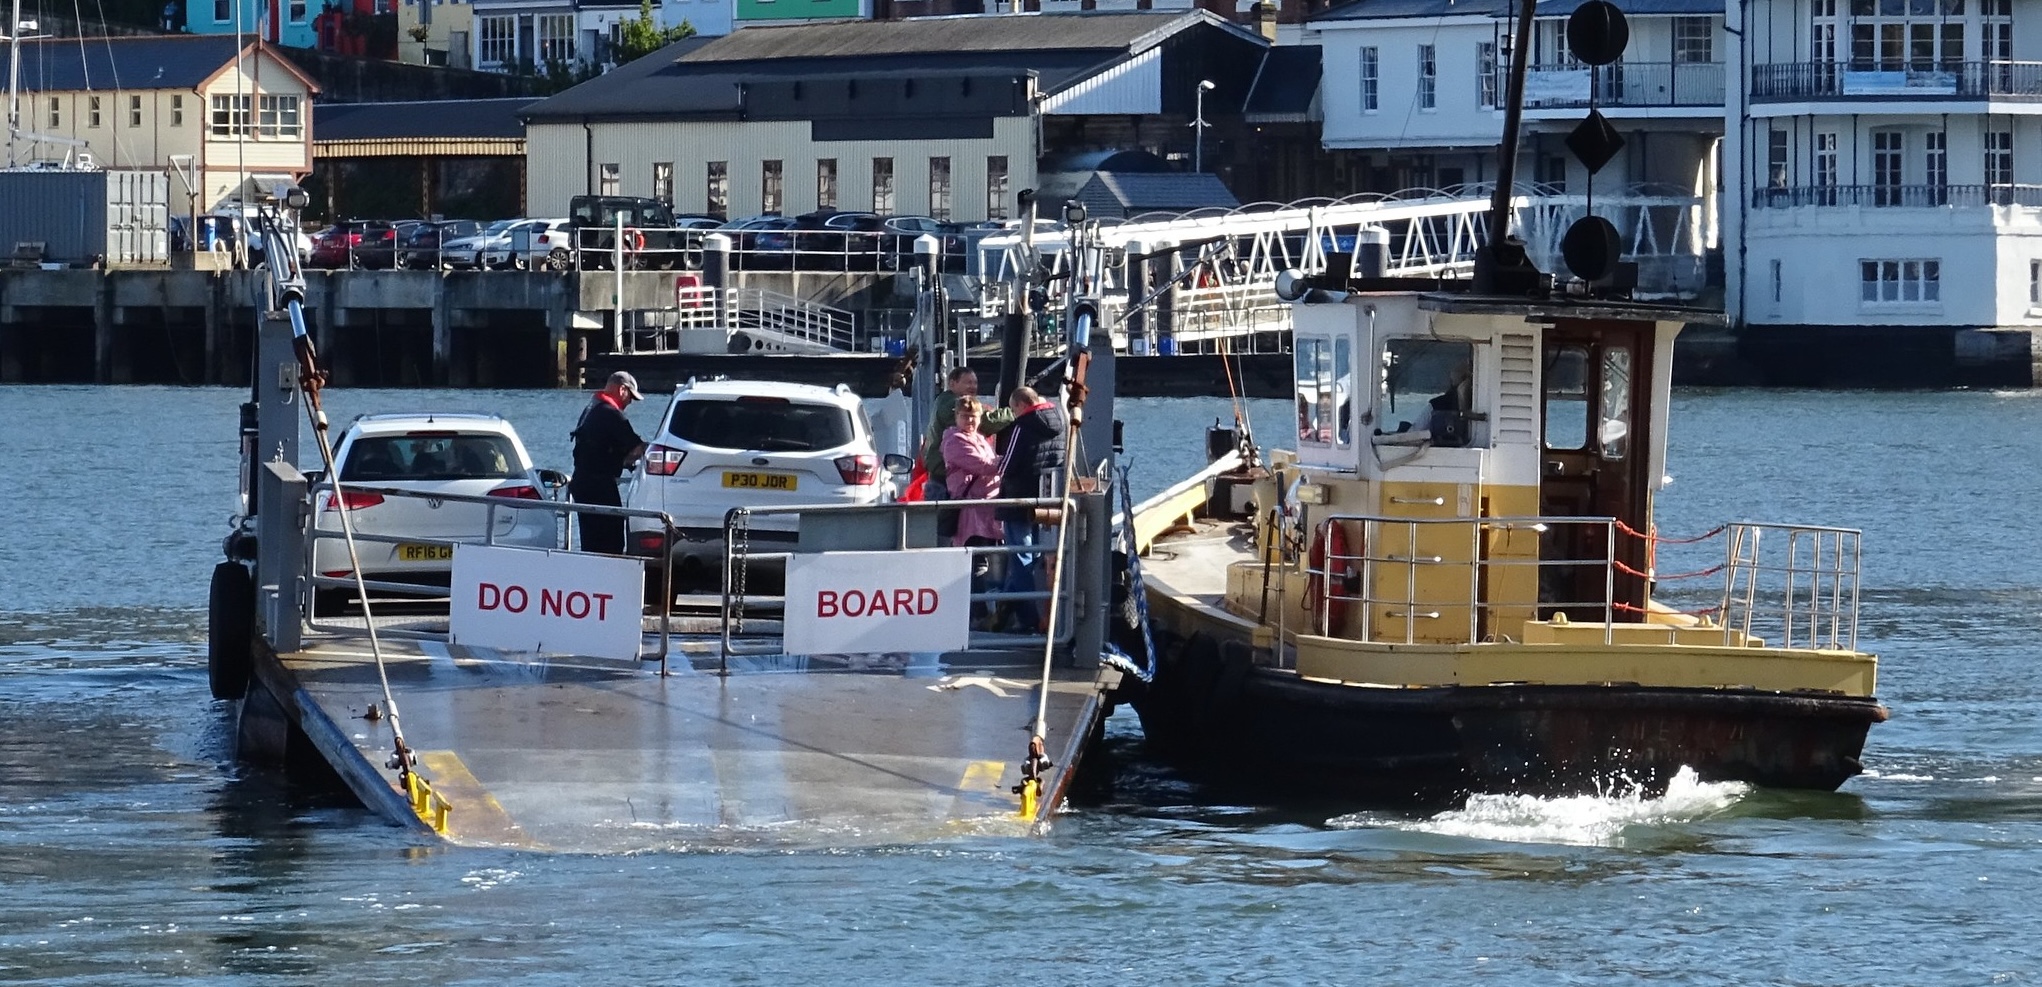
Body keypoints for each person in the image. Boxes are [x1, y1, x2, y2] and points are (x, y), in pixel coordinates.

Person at [993, 385, 1067, 633]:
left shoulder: (1022, 426)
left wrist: (997, 465)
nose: (1014, 414)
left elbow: (1007, 467)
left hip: (1018, 500)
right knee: (1033, 555)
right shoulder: (1060, 420)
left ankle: (1029, 619)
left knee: (1020, 557)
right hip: (1046, 498)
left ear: (1021, 405)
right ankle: (1005, 610)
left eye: (1014, 410)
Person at [941, 396, 1003, 627]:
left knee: (983, 562)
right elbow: (984, 466)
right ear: (956, 417)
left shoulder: (980, 439)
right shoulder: (954, 442)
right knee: (975, 563)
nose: (969, 421)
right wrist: (1011, 462)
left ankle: (983, 613)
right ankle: (977, 615)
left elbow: (992, 464)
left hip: (987, 509)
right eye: (965, 416)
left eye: (973, 416)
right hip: (971, 511)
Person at [569, 371, 647, 555]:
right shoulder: (611, 413)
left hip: (581, 483)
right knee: (612, 538)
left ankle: (590, 569)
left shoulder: (592, 408)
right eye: (630, 397)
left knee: (591, 540)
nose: (629, 403)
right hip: (599, 486)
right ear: (622, 390)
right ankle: (608, 570)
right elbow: (637, 447)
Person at [920, 367, 1013, 497]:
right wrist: (1013, 412)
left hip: (946, 479)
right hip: (944, 482)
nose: (973, 386)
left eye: (975, 383)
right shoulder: (950, 405)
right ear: (952, 383)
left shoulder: (943, 402)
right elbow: (987, 422)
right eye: (968, 382)